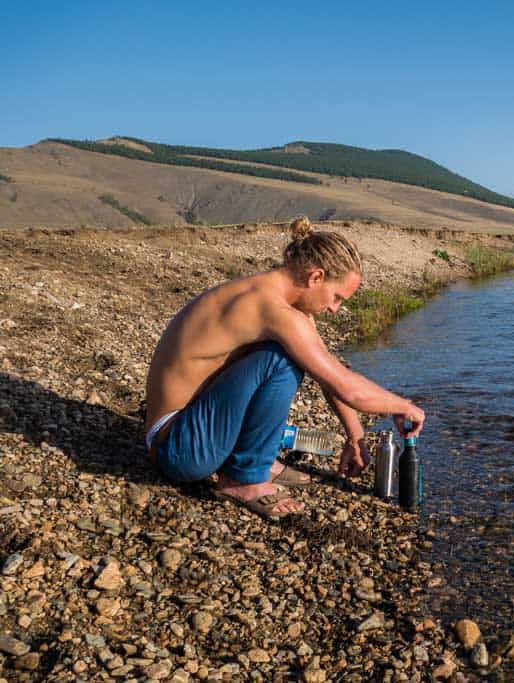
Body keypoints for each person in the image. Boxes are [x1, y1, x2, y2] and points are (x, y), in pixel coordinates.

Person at [143, 217, 425, 519]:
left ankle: (254, 459)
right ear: (316, 277)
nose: (334, 309)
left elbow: (327, 372)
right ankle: (243, 478)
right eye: (337, 297)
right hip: (179, 449)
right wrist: (403, 406)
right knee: (280, 360)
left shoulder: (273, 296)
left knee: (288, 357)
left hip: (183, 431)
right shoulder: (273, 310)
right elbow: (347, 387)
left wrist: (355, 436)